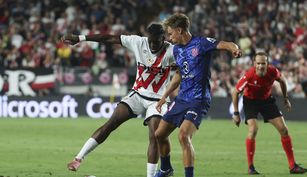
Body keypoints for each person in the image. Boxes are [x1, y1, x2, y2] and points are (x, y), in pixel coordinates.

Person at [62, 23, 175, 177]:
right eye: (151, 41)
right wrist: (80, 38)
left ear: (164, 38)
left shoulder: (172, 51)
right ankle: (78, 158)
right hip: (137, 94)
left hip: (158, 100)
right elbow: (108, 38)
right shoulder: (138, 42)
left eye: (157, 41)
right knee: (111, 123)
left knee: (154, 135)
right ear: (147, 37)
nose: (153, 45)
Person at [154, 13, 242, 177]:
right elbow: (179, 75)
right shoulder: (178, 49)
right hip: (181, 99)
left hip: (198, 100)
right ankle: (166, 169)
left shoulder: (201, 43)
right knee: (159, 134)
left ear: (179, 30)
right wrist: (165, 95)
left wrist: (234, 49)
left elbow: (226, 44)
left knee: (183, 136)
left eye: (171, 33)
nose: (169, 37)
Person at [231, 52, 307, 174]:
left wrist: (285, 98)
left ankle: (293, 166)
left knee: (284, 130)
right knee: (253, 129)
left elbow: (282, 81)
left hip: (267, 101)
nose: (261, 66)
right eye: (258, 63)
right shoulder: (249, 76)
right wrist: (236, 113)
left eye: (263, 63)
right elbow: (235, 92)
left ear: (267, 64)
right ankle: (251, 167)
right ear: (254, 64)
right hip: (250, 102)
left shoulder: (273, 71)